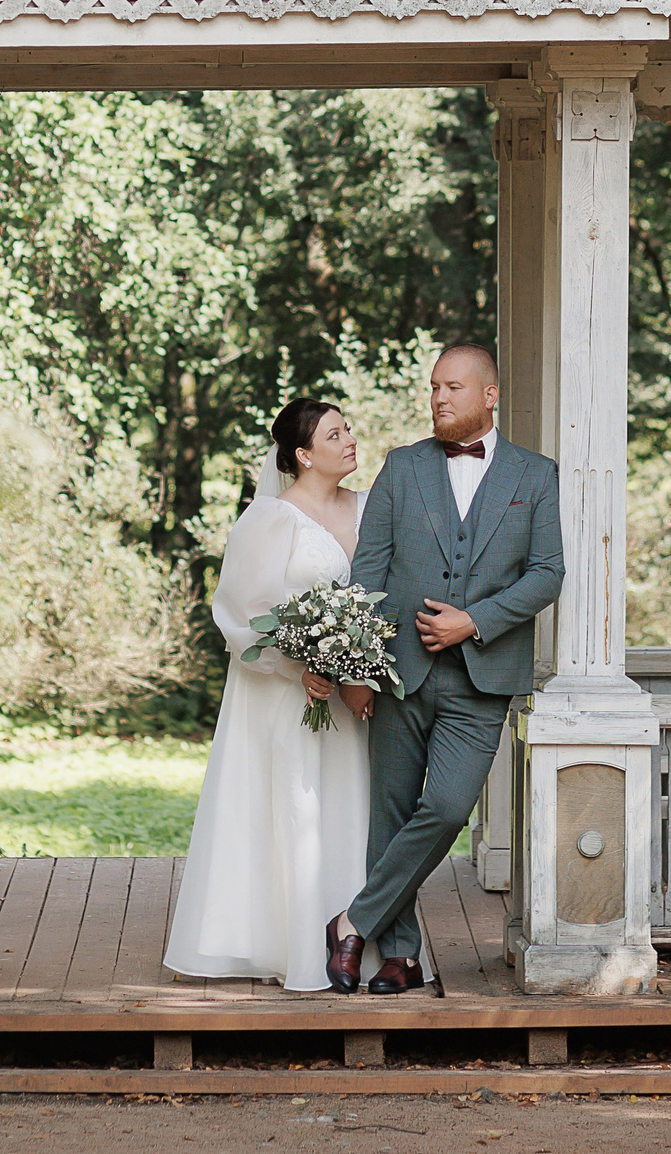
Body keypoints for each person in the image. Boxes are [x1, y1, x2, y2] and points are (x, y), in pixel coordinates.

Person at [324, 344, 564, 994]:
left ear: (489, 395)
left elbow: (548, 573)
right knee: (392, 812)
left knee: (449, 806)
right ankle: (398, 956)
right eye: (434, 387)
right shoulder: (401, 468)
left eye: (453, 387)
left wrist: (474, 618)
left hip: (483, 679)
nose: (439, 398)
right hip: (400, 671)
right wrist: (356, 667)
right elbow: (368, 571)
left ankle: (354, 919)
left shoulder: (537, 475)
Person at [164, 399, 382, 991]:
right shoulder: (270, 519)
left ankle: (355, 933)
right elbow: (243, 612)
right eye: (335, 434)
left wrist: (355, 664)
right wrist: (302, 667)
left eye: (349, 429)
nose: (350, 440)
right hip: (288, 694)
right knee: (293, 804)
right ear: (305, 455)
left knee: (349, 804)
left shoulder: (371, 508)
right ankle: (286, 946)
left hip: (353, 694)